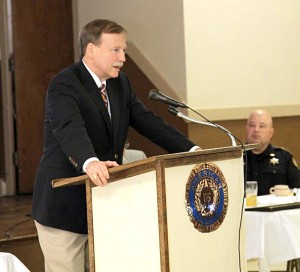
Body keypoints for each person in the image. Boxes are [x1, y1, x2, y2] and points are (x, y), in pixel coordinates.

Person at [32, 19, 199, 272]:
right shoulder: (65, 83)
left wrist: (190, 150)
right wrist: (90, 161)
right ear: (91, 50)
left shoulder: (121, 84)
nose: (123, 57)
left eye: (124, 50)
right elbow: (69, 129)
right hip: (63, 208)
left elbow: (147, 122)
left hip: (105, 205)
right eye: (115, 50)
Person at [244, 109, 300, 195]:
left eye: (262, 126)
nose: (256, 130)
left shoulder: (284, 158)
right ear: (246, 129)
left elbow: (297, 190)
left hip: (276, 208)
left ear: (271, 132)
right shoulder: (235, 158)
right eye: (252, 125)